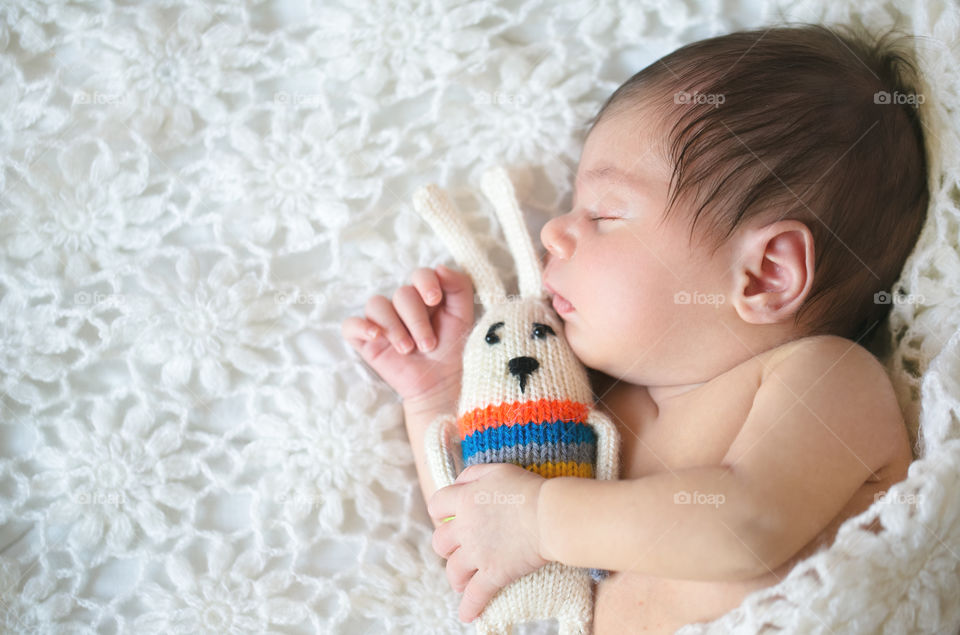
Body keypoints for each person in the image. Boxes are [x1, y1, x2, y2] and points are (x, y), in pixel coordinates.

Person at [341, 22, 928, 633]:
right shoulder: (597, 407)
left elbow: (746, 526)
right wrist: (440, 392)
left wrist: (540, 520)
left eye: (604, 212)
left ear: (765, 275)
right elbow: (480, 533)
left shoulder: (827, 379)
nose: (552, 233)